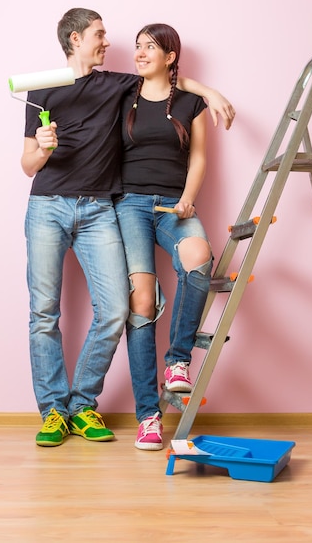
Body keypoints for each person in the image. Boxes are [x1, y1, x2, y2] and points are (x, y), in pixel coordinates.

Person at [21, 8, 235, 448]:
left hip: (100, 207)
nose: (110, 43)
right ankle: (54, 412)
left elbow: (168, 81)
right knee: (44, 312)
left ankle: (82, 405)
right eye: (100, 35)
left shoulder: (116, 84)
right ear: (76, 38)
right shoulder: (40, 91)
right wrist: (41, 151)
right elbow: (27, 165)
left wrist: (209, 91)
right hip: (49, 206)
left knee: (116, 309)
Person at [115, 23, 234, 451]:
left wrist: (187, 199)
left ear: (170, 55)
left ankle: (178, 361)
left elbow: (199, 157)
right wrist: (207, 86)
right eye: (137, 46)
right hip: (128, 204)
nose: (140, 53)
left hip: (173, 205)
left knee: (200, 257)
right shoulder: (123, 93)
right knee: (142, 301)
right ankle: (149, 416)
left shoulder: (190, 104)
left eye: (151, 47)